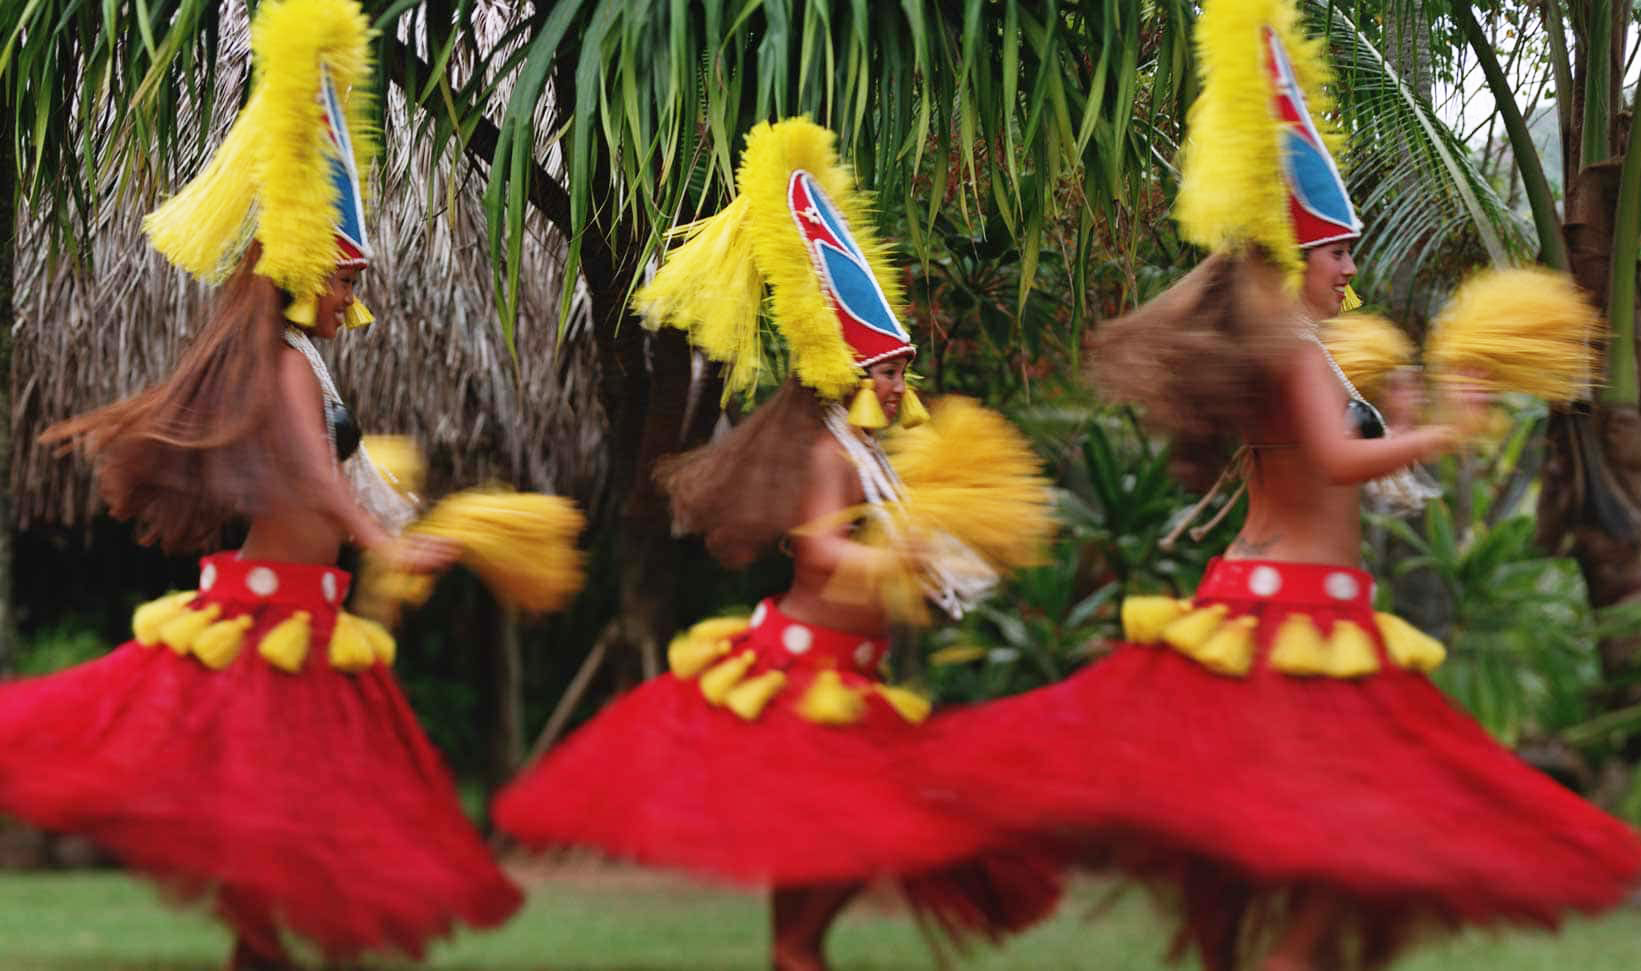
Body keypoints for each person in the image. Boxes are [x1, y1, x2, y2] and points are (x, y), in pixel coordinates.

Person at [914, 1, 1641, 969]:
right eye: (1340, 252)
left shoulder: (1296, 350)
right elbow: (1339, 465)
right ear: (1299, 256)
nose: (1351, 269)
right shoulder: (1297, 349)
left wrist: (1410, 410)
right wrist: (1443, 430)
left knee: (1273, 836)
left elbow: (1323, 462)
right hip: (1301, 618)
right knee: (1335, 840)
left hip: (1257, 601)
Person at [0, 3, 520, 968]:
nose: (353, 287)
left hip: (311, 624)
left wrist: (408, 530)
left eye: (356, 270)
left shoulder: (311, 362)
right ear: (301, 263)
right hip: (261, 627)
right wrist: (389, 542)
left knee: (290, 851)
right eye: (342, 268)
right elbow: (319, 486)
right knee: (270, 848)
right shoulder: (284, 364)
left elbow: (344, 480)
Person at [493, 117, 1060, 971]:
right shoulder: (830, 454)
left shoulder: (873, 459)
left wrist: (943, 565)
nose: (901, 384)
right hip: (802, 682)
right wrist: (904, 558)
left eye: (901, 368)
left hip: (852, 677)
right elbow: (822, 556)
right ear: (845, 371)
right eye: (887, 371)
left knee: (832, 888)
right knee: (814, 905)